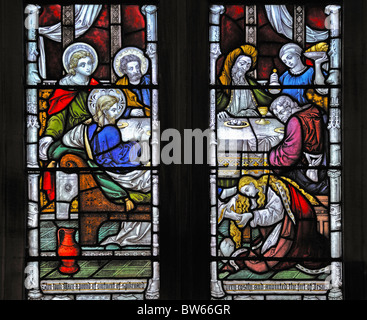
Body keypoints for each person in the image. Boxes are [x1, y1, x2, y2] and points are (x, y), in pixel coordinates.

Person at [60, 90, 152, 247]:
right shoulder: (110, 130)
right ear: (103, 110)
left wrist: (85, 131)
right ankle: (142, 234)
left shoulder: (95, 129)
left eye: (117, 108)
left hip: (118, 165)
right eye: (114, 109)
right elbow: (117, 159)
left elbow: (92, 156)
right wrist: (142, 159)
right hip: (124, 172)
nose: (117, 112)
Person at [218, 174, 329, 274]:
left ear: (252, 182)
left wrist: (251, 216)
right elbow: (255, 210)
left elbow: (276, 213)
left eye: (247, 189)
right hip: (281, 224)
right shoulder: (259, 193)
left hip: (295, 220)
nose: (248, 194)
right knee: (263, 251)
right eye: (245, 193)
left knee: (272, 256)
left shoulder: (272, 186)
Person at [39, 43, 99, 202]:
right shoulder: (65, 87)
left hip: (94, 131)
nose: (88, 67)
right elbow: (57, 115)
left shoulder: (95, 87)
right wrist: (49, 136)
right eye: (83, 65)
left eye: (90, 63)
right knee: (56, 149)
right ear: (74, 67)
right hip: (72, 134)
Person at [268, 95, 329, 195]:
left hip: (310, 168)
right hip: (324, 162)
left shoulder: (295, 121)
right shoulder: (314, 109)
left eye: (281, 112)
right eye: (277, 115)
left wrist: (272, 155)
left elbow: (289, 156)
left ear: (291, 105)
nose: (281, 118)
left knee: (281, 177)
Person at [217, 44, 273, 119]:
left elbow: (265, 99)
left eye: (248, 65)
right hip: (227, 121)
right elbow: (214, 104)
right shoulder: (221, 82)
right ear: (233, 64)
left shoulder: (250, 83)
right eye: (242, 63)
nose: (244, 68)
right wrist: (219, 112)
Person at [113, 47, 151, 117]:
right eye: (131, 68)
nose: (135, 71)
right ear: (125, 71)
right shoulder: (120, 85)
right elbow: (114, 108)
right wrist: (129, 112)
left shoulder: (149, 81)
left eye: (137, 67)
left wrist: (146, 112)